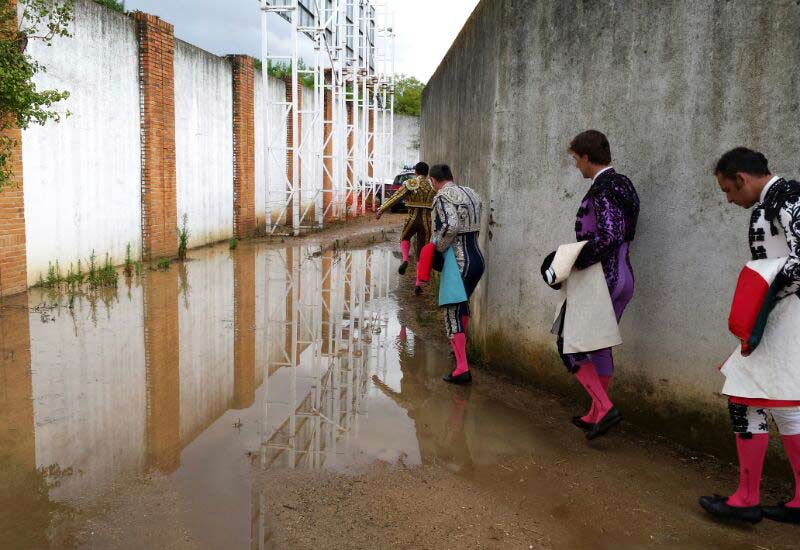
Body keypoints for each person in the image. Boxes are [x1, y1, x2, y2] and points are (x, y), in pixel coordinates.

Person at [699, 148, 800, 525]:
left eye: (728, 190)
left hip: (784, 315)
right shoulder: (774, 202)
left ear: (742, 178)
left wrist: (764, 290)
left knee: (745, 401)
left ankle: (746, 499)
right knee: (786, 404)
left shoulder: (787, 199)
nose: (728, 199)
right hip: (782, 315)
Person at [547, 130, 640, 440]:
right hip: (623, 275)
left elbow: (610, 235)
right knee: (599, 344)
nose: (576, 166)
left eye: (576, 159)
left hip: (603, 279)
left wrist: (575, 259)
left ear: (587, 157)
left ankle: (605, 406)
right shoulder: (624, 184)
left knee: (568, 344)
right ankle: (596, 412)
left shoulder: (603, 189)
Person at [429, 164, 485, 384]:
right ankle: (460, 354)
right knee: (462, 304)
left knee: (451, 309)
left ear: (434, 180)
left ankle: (462, 368)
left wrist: (437, 248)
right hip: (477, 259)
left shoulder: (442, 197)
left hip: (458, 262)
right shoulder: (471, 192)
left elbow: (450, 227)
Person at [376, 162, 437, 292]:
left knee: (405, 237)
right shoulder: (433, 186)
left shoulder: (412, 183)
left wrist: (381, 209)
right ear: (427, 173)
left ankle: (405, 259)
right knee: (422, 252)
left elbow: (396, 197)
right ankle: (418, 285)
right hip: (426, 221)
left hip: (412, 218)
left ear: (416, 171)